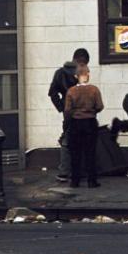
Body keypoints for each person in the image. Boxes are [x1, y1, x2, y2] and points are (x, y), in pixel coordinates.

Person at [48, 48, 89, 182]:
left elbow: (52, 92)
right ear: (83, 60)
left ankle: (65, 171)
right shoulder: (82, 72)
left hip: (69, 111)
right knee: (84, 139)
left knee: (67, 139)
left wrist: (62, 107)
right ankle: (80, 171)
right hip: (84, 110)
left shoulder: (60, 73)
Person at [63, 62, 104, 188]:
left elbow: (67, 110)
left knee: (75, 153)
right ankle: (92, 181)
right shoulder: (94, 90)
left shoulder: (71, 91)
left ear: (76, 76)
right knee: (90, 153)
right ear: (88, 75)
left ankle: (75, 181)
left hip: (76, 123)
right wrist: (91, 112)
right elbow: (100, 106)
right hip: (90, 123)